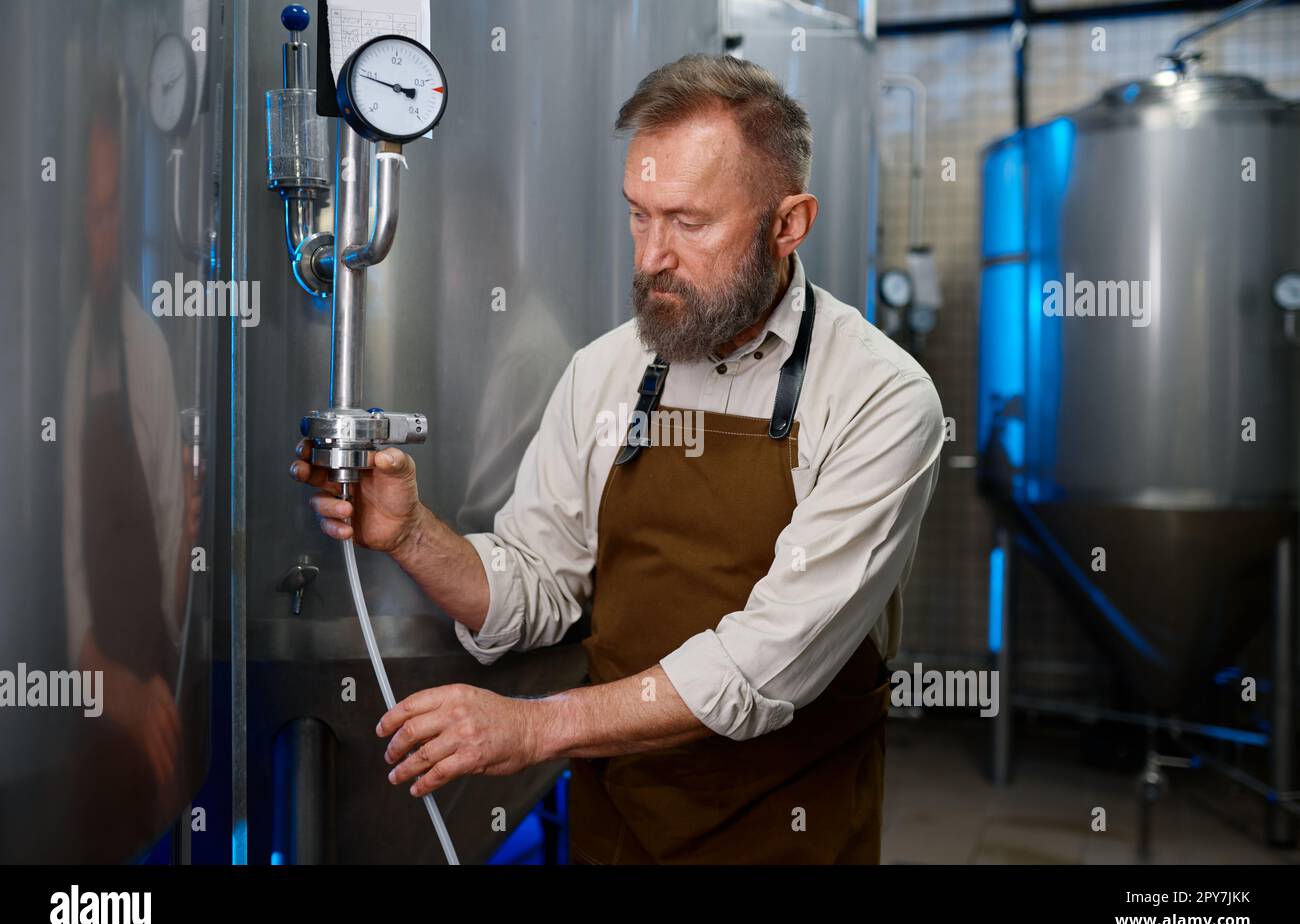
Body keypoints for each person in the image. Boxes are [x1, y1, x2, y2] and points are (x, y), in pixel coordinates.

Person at [290, 53, 944, 864]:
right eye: (639, 215)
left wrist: (536, 725)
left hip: (788, 829)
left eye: (688, 222)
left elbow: (765, 665)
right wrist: (412, 534)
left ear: (789, 223)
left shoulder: (881, 397)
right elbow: (538, 584)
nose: (650, 258)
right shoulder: (606, 370)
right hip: (618, 828)